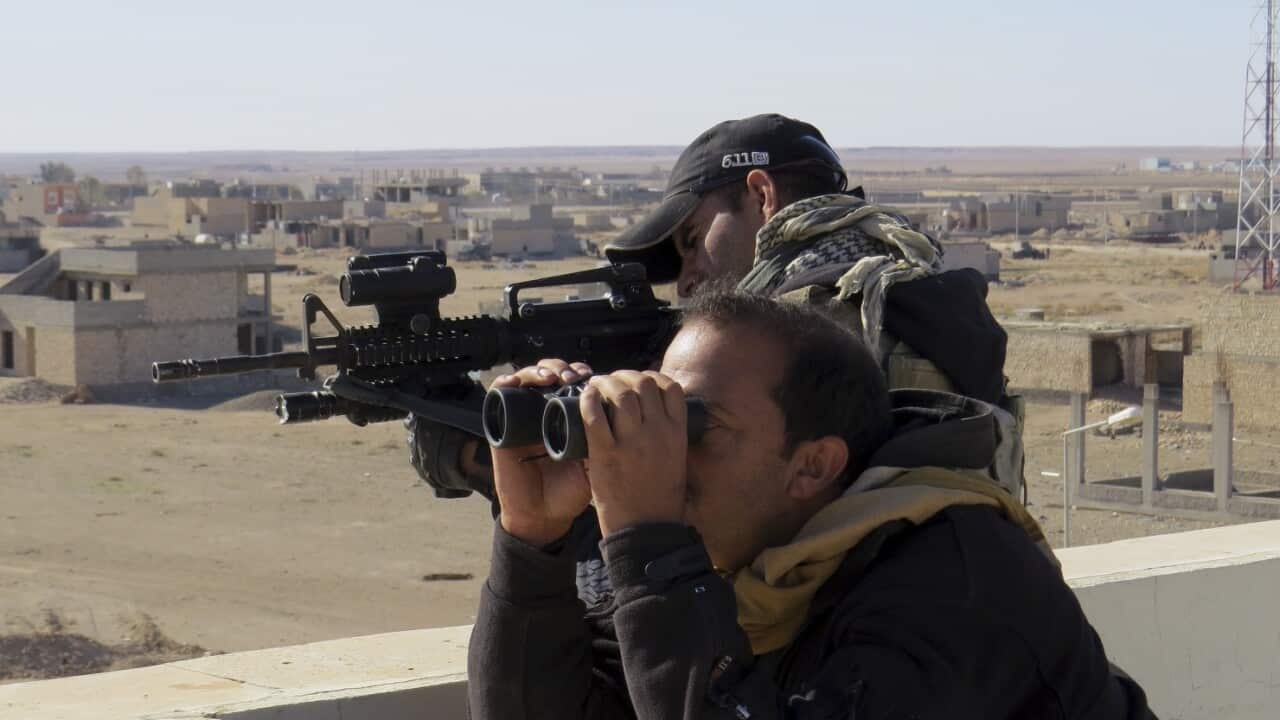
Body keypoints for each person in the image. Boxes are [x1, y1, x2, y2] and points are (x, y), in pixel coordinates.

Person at [468, 290, 1153, 719]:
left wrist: (648, 543)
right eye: (662, 415)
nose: (665, 453)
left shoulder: (950, 585)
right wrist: (533, 538)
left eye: (694, 426)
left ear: (813, 465)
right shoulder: (742, 565)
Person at [408, 112, 1020, 504]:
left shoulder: (814, 321)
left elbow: (679, 531)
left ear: (761, 195)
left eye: (693, 241)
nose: (685, 281)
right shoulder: (914, 286)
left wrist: (486, 446)